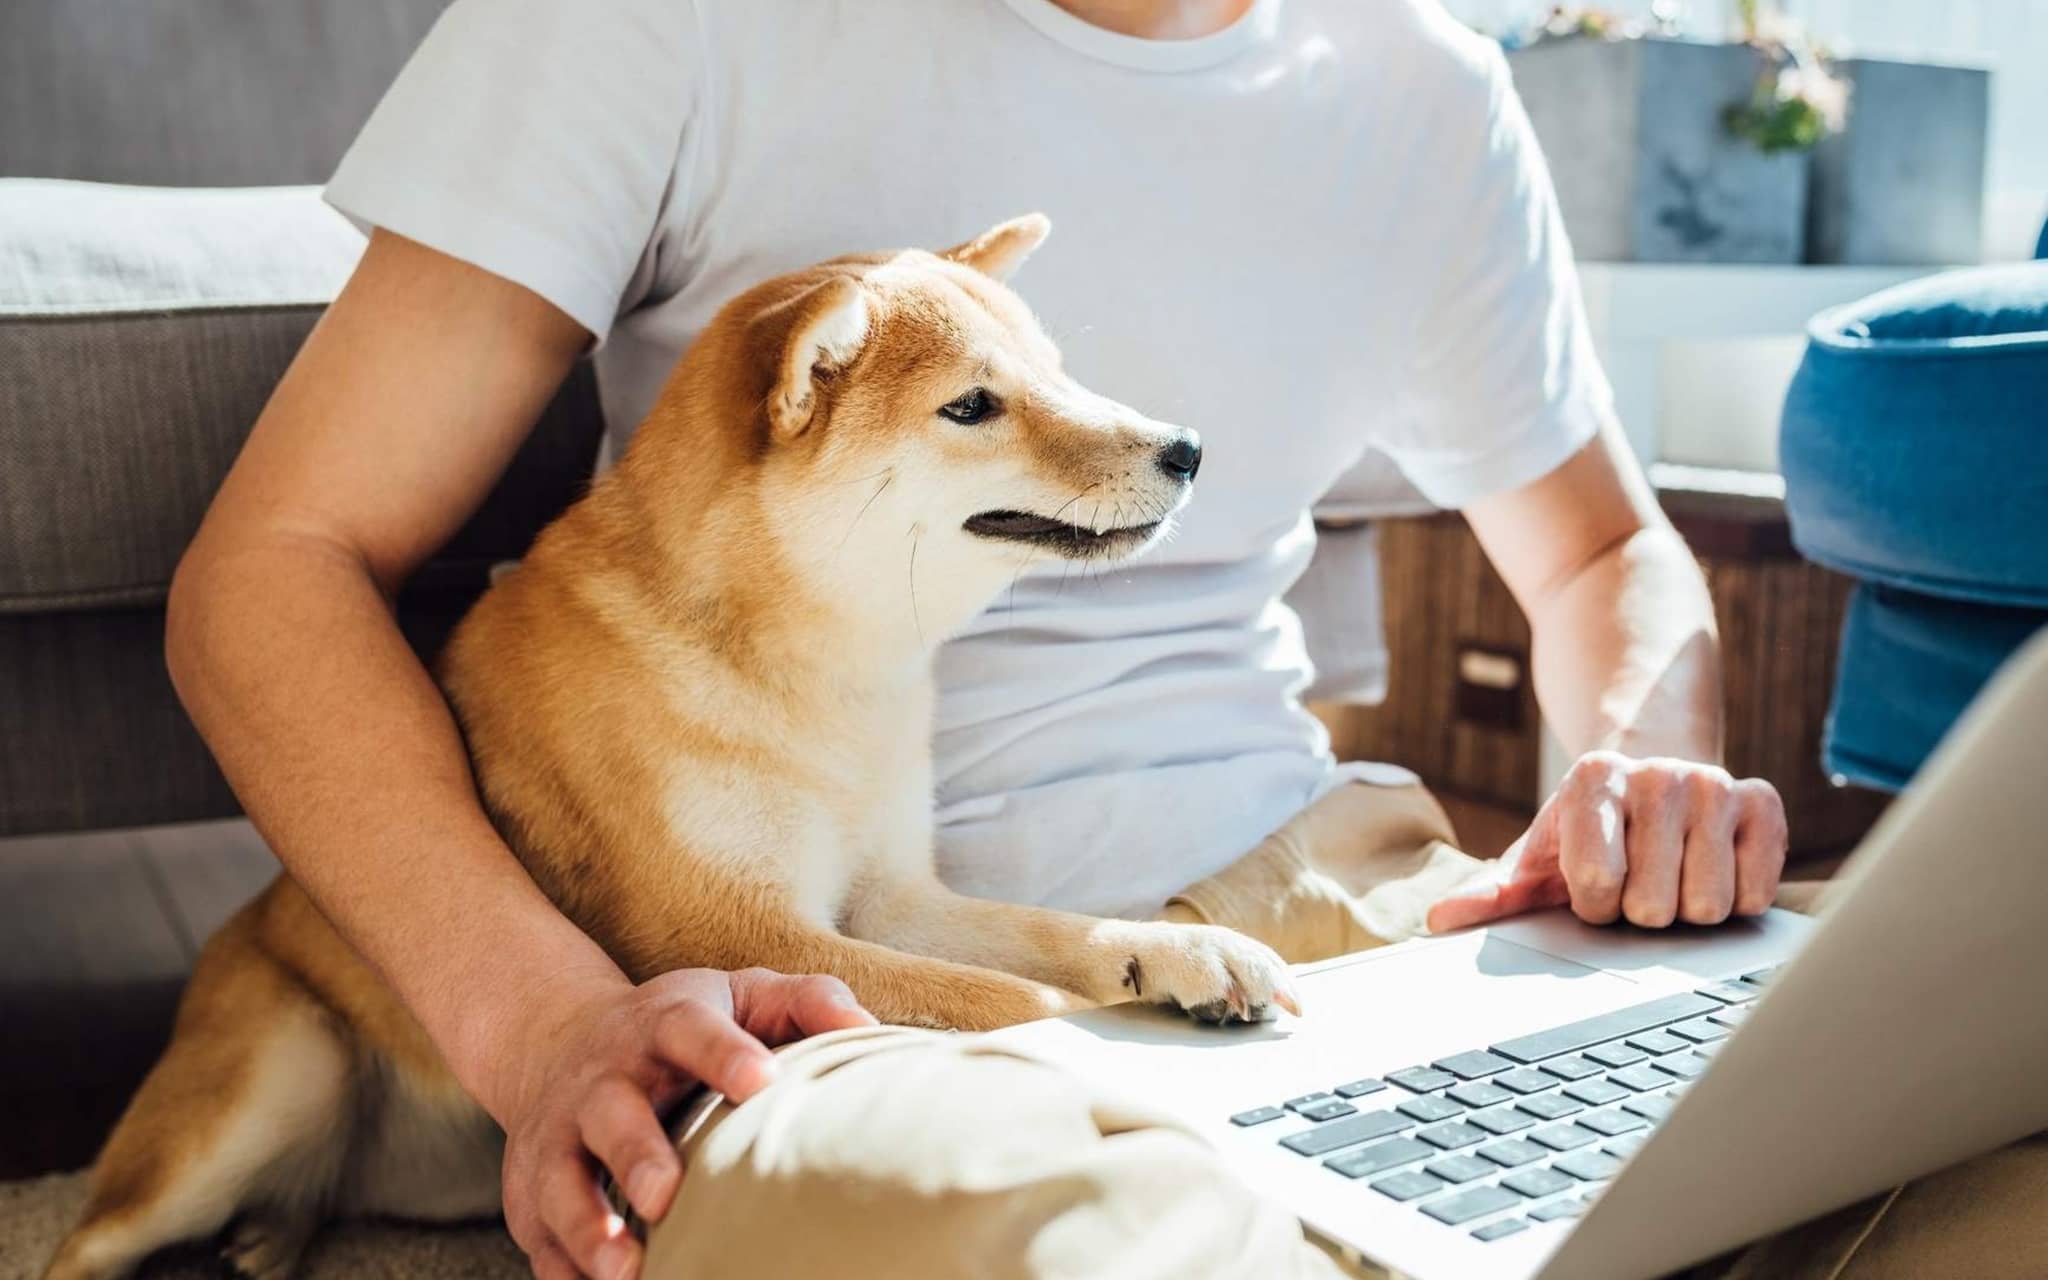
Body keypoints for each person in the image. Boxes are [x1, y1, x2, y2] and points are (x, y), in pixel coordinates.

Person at [164, 2, 1823, 1276]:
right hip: (838, 998)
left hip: (1339, 888)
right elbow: (276, 570)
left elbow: (1605, 549)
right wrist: (539, 1026)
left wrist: (1643, 773)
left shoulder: (1429, 91)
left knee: (1866, 1104)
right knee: (1132, 1249)